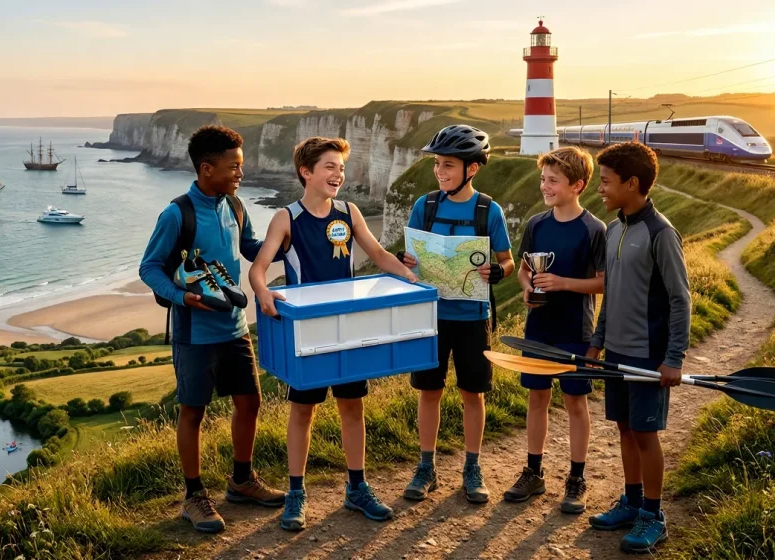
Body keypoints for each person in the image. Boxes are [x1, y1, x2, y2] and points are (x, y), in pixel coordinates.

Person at [250, 136, 417, 531]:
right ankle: (296, 493)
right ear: (306, 172)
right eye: (329, 166)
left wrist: (409, 276)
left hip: (348, 326)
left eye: (341, 168)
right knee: (302, 411)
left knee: (352, 407)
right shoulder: (285, 218)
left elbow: (377, 254)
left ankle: (356, 488)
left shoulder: (349, 211)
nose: (338, 174)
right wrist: (262, 292)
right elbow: (258, 268)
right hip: (308, 330)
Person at [139, 125, 285, 534]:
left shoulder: (235, 205)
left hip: (234, 326)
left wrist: (288, 246)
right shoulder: (176, 213)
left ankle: (241, 481)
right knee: (193, 411)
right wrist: (179, 296)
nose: (241, 172)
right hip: (194, 333)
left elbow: (252, 247)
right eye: (234, 166)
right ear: (207, 168)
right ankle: (194, 497)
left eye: (241, 165)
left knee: (250, 402)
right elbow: (149, 267)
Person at [397, 125, 514, 504]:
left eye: (448, 165)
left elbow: (507, 261)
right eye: (437, 165)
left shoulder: (488, 210)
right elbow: (409, 256)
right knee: (428, 391)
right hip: (431, 315)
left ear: (472, 168)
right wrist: (407, 261)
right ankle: (426, 465)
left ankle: (472, 466)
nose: (439, 172)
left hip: (472, 316)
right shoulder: (425, 206)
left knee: (472, 393)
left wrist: (498, 272)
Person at [586, 142, 690, 554]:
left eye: (607, 182)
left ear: (633, 183)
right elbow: (611, 294)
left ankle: (653, 514)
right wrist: (597, 343)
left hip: (649, 355)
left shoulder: (661, 233)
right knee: (625, 429)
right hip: (616, 352)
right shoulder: (614, 229)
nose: (601, 189)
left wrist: (674, 358)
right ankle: (630, 502)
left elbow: (681, 299)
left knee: (646, 434)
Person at [503, 146, 605, 514]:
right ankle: (533, 472)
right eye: (543, 179)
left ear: (577, 185)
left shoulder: (594, 229)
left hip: (575, 330)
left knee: (575, 403)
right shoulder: (536, 224)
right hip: (539, 327)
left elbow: (602, 283)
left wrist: (562, 283)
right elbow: (524, 269)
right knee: (537, 399)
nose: (544, 186)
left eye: (553, 181)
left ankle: (576, 478)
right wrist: (527, 288)